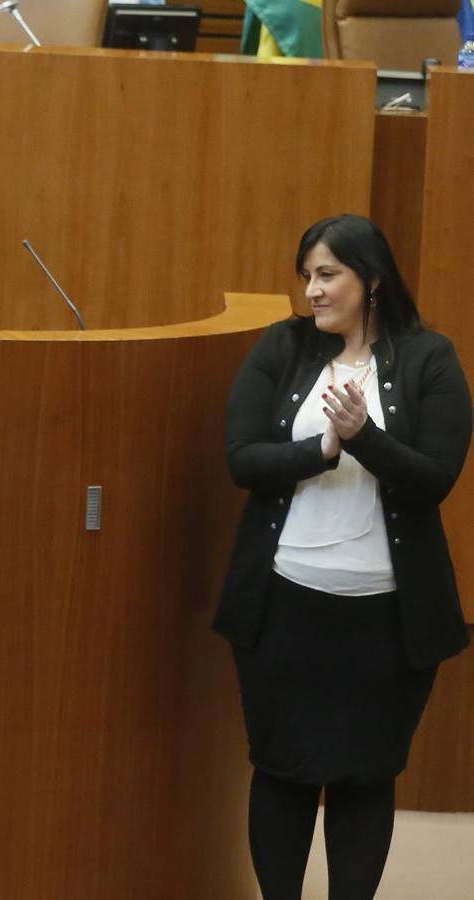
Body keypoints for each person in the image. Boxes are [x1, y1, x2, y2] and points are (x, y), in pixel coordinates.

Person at [216, 213, 471, 899]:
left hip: (385, 618)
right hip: (283, 608)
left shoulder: (429, 359)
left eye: (327, 274)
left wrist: (361, 437)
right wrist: (319, 449)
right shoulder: (281, 348)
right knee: (281, 771)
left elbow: (434, 480)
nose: (312, 292)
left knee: (365, 777)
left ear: (372, 278)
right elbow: (242, 461)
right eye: (307, 276)